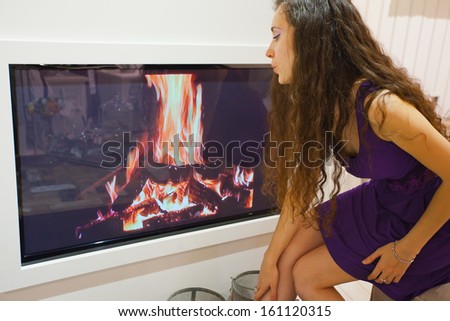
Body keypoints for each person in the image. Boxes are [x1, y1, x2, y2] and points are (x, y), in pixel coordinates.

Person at [255, 0, 450, 301]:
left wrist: (406, 250)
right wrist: (269, 257)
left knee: (305, 276)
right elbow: (299, 192)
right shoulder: (321, 102)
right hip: (383, 198)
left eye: (277, 35)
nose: (269, 50)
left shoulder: (382, 109)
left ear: (311, 41)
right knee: (283, 261)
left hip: (427, 219)